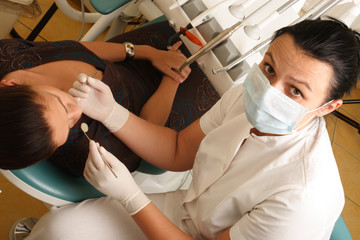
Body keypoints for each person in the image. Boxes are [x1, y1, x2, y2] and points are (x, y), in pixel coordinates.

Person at [27, 18, 359, 240]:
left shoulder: (301, 195)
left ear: (328, 107)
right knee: (60, 228)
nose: (270, 91)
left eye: (296, 91)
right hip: (187, 211)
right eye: (269, 68)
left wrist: (131, 196)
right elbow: (178, 150)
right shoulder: (244, 96)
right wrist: (112, 113)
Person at [0, 21, 220, 176]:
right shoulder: (87, 149)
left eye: (61, 102)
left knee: (196, 21)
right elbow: (149, 129)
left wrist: (145, 52)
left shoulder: (8, 57)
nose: (76, 112)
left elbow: (75, 49)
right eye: (69, 125)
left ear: (12, 84)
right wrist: (174, 76)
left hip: (133, 58)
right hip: (166, 101)